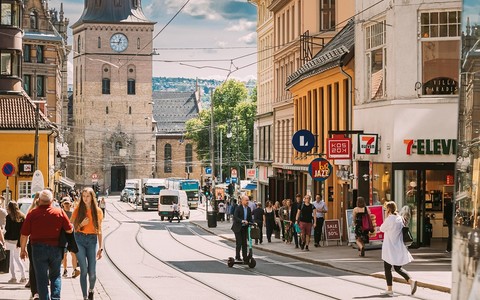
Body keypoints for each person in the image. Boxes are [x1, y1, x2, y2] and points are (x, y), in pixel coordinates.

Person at [20, 189, 73, 300]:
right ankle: (55, 298)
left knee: (41, 278)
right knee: (55, 276)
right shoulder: (59, 212)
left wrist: (23, 249)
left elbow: (24, 234)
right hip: (56, 248)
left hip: (38, 248)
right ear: (52, 201)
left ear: (39, 200)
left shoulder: (32, 214)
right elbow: (69, 230)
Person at [71, 187, 104, 300]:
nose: (85, 198)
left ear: (92, 197)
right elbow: (72, 227)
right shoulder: (78, 209)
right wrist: (81, 224)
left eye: (87, 196)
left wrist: (101, 247)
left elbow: (99, 230)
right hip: (79, 239)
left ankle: (91, 290)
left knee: (92, 272)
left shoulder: (98, 211)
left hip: (92, 240)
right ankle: (85, 297)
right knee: (84, 270)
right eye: (83, 196)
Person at [379, 201, 416, 296]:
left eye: (386, 209)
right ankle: (411, 281)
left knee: (387, 268)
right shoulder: (400, 218)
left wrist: (386, 218)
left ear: (388, 209)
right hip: (398, 247)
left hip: (389, 247)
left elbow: (382, 229)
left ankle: (390, 289)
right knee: (397, 267)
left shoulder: (389, 219)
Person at [5, 201, 26, 283]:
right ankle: (23, 276)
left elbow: (7, 228)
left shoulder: (9, 217)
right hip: (18, 240)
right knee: (17, 258)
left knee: (11, 259)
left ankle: (13, 277)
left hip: (10, 239)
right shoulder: (22, 216)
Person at [61, 198, 80, 278]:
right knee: (64, 254)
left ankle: (75, 269)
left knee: (73, 253)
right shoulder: (61, 213)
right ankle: (65, 270)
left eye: (68, 204)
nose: (67, 205)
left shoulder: (73, 213)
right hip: (63, 236)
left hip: (72, 236)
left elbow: (76, 224)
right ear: (63, 204)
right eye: (65, 204)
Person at [231, 195, 252, 263]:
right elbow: (235, 217)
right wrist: (242, 221)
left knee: (244, 243)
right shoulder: (238, 208)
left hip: (244, 228)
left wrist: (253, 223)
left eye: (248, 200)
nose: (247, 202)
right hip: (237, 228)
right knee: (239, 242)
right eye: (246, 200)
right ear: (242, 201)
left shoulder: (248, 209)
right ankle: (237, 256)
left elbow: (250, 218)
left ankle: (245, 257)